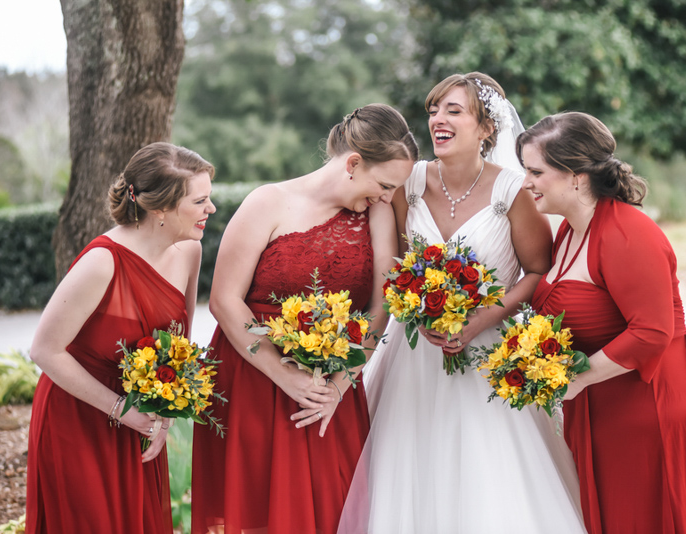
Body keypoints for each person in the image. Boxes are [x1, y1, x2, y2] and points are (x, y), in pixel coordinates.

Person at [338, 73, 587, 533]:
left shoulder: (514, 191)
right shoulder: (406, 183)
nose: (438, 120)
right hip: (414, 357)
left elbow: (537, 271)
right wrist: (414, 309)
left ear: (487, 128)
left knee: (489, 473)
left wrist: (477, 322)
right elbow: (391, 268)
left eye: (454, 110)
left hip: (488, 356)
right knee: (408, 469)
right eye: (434, 110)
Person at [190, 103, 419, 534]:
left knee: (333, 511)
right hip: (253, 377)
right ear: (353, 163)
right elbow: (224, 300)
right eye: (385, 184)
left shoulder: (378, 213)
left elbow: (380, 308)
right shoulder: (268, 201)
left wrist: (336, 386)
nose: (389, 197)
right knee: (258, 512)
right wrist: (285, 375)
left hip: (331, 388)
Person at [517, 111, 686, 533]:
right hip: (599, 403)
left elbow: (652, 333)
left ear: (576, 175)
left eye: (536, 171)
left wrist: (574, 379)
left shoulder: (628, 234)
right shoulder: (569, 232)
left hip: (649, 405)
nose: (526, 182)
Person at [26, 142, 216, 534]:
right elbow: (44, 349)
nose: (210, 210)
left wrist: (164, 412)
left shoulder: (190, 252)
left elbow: (177, 345)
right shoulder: (102, 261)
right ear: (160, 208)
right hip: (79, 415)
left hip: (142, 413)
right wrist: (122, 410)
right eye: (200, 202)